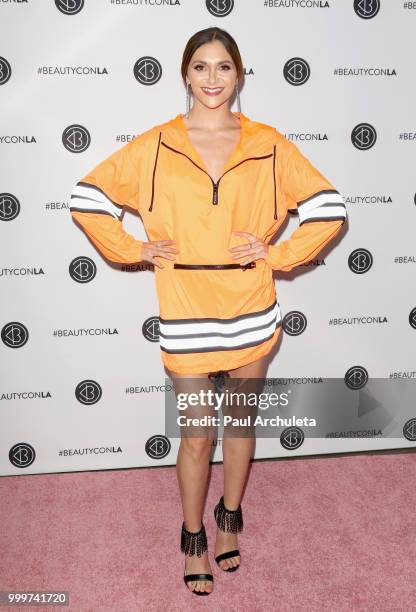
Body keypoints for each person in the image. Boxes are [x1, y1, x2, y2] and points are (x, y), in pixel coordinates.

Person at [69, 27, 347, 596]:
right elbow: (87, 198)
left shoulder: (269, 143)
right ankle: (192, 533)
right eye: (201, 67)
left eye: (224, 67)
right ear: (185, 74)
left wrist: (279, 254)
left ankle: (230, 520)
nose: (213, 79)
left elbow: (329, 207)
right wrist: (135, 248)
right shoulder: (156, 144)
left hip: (251, 307)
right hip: (187, 310)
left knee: (240, 425)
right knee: (197, 433)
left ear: (239, 74)